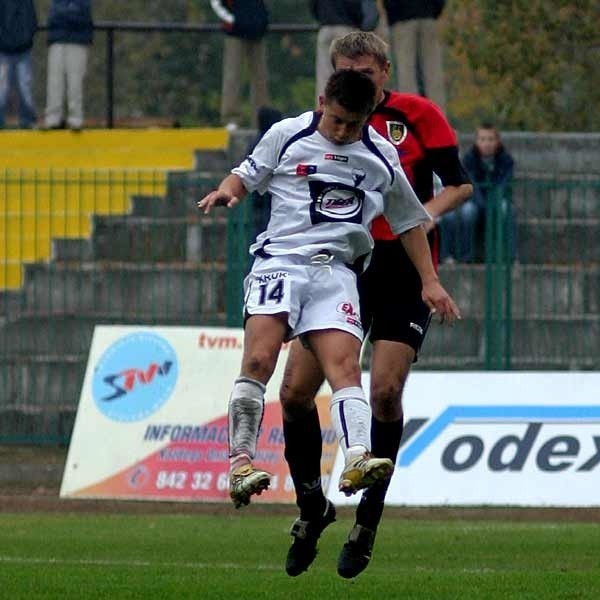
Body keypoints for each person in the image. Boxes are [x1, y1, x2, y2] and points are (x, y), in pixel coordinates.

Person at [198, 70, 459, 551]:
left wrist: (429, 280)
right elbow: (246, 173)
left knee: (345, 370)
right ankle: (240, 465)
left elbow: (409, 221)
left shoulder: (380, 154)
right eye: (336, 120)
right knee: (259, 362)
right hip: (280, 262)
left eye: (352, 124)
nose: (341, 131)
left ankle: (357, 457)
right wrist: (228, 191)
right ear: (322, 103)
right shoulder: (288, 133)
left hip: (336, 272)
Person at [278, 31, 472, 579]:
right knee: (294, 392)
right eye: (346, 70)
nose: (357, 79)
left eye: (366, 71)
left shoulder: (417, 115)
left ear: (384, 71)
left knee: (384, 391)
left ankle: (367, 519)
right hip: (340, 267)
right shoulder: (325, 121)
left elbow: (458, 184)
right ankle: (312, 508)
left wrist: (420, 215)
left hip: (404, 268)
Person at [439, 124, 516, 263]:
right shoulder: (469, 159)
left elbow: (503, 184)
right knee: (467, 212)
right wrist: (481, 204)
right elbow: (471, 186)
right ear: (476, 141)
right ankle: (465, 257)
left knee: (506, 209)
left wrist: (492, 203)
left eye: (490, 139)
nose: (486, 143)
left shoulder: (506, 160)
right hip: (475, 200)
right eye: (482, 139)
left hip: (497, 198)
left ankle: (509, 256)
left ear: (497, 141)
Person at [210, 0, 270, 129]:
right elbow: (216, 3)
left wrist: (263, 18)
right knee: (232, 75)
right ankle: (231, 118)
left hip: (257, 29)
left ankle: (261, 119)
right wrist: (231, 19)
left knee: (260, 78)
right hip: (235, 32)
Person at [382, 0, 447, 111]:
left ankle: (410, 115)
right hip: (428, 16)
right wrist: (434, 11)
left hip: (402, 19)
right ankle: (438, 116)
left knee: (406, 74)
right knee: (432, 73)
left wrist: (392, 14)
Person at [310, 0, 380, 102]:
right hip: (347, 28)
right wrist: (363, 26)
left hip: (325, 28)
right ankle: (349, 112)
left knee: (324, 79)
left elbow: (313, 5)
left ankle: (323, 112)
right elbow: (366, 10)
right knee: (350, 78)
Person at [44, 0, 93, 131]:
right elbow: (53, 18)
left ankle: (76, 118)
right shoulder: (56, 2)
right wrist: (70, 15)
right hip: (57, 41)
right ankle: (53, 118)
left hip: (77, 42)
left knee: (75, 82)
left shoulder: (83, 3)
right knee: (54, 81)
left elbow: (82, 19)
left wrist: (65, 16)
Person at [0, 0, 38, 129]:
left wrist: (26, 39)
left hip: (23, 50)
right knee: (2, 87)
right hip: (3, 51)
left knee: (24, 86)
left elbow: (32, 21)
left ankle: (27, 120)